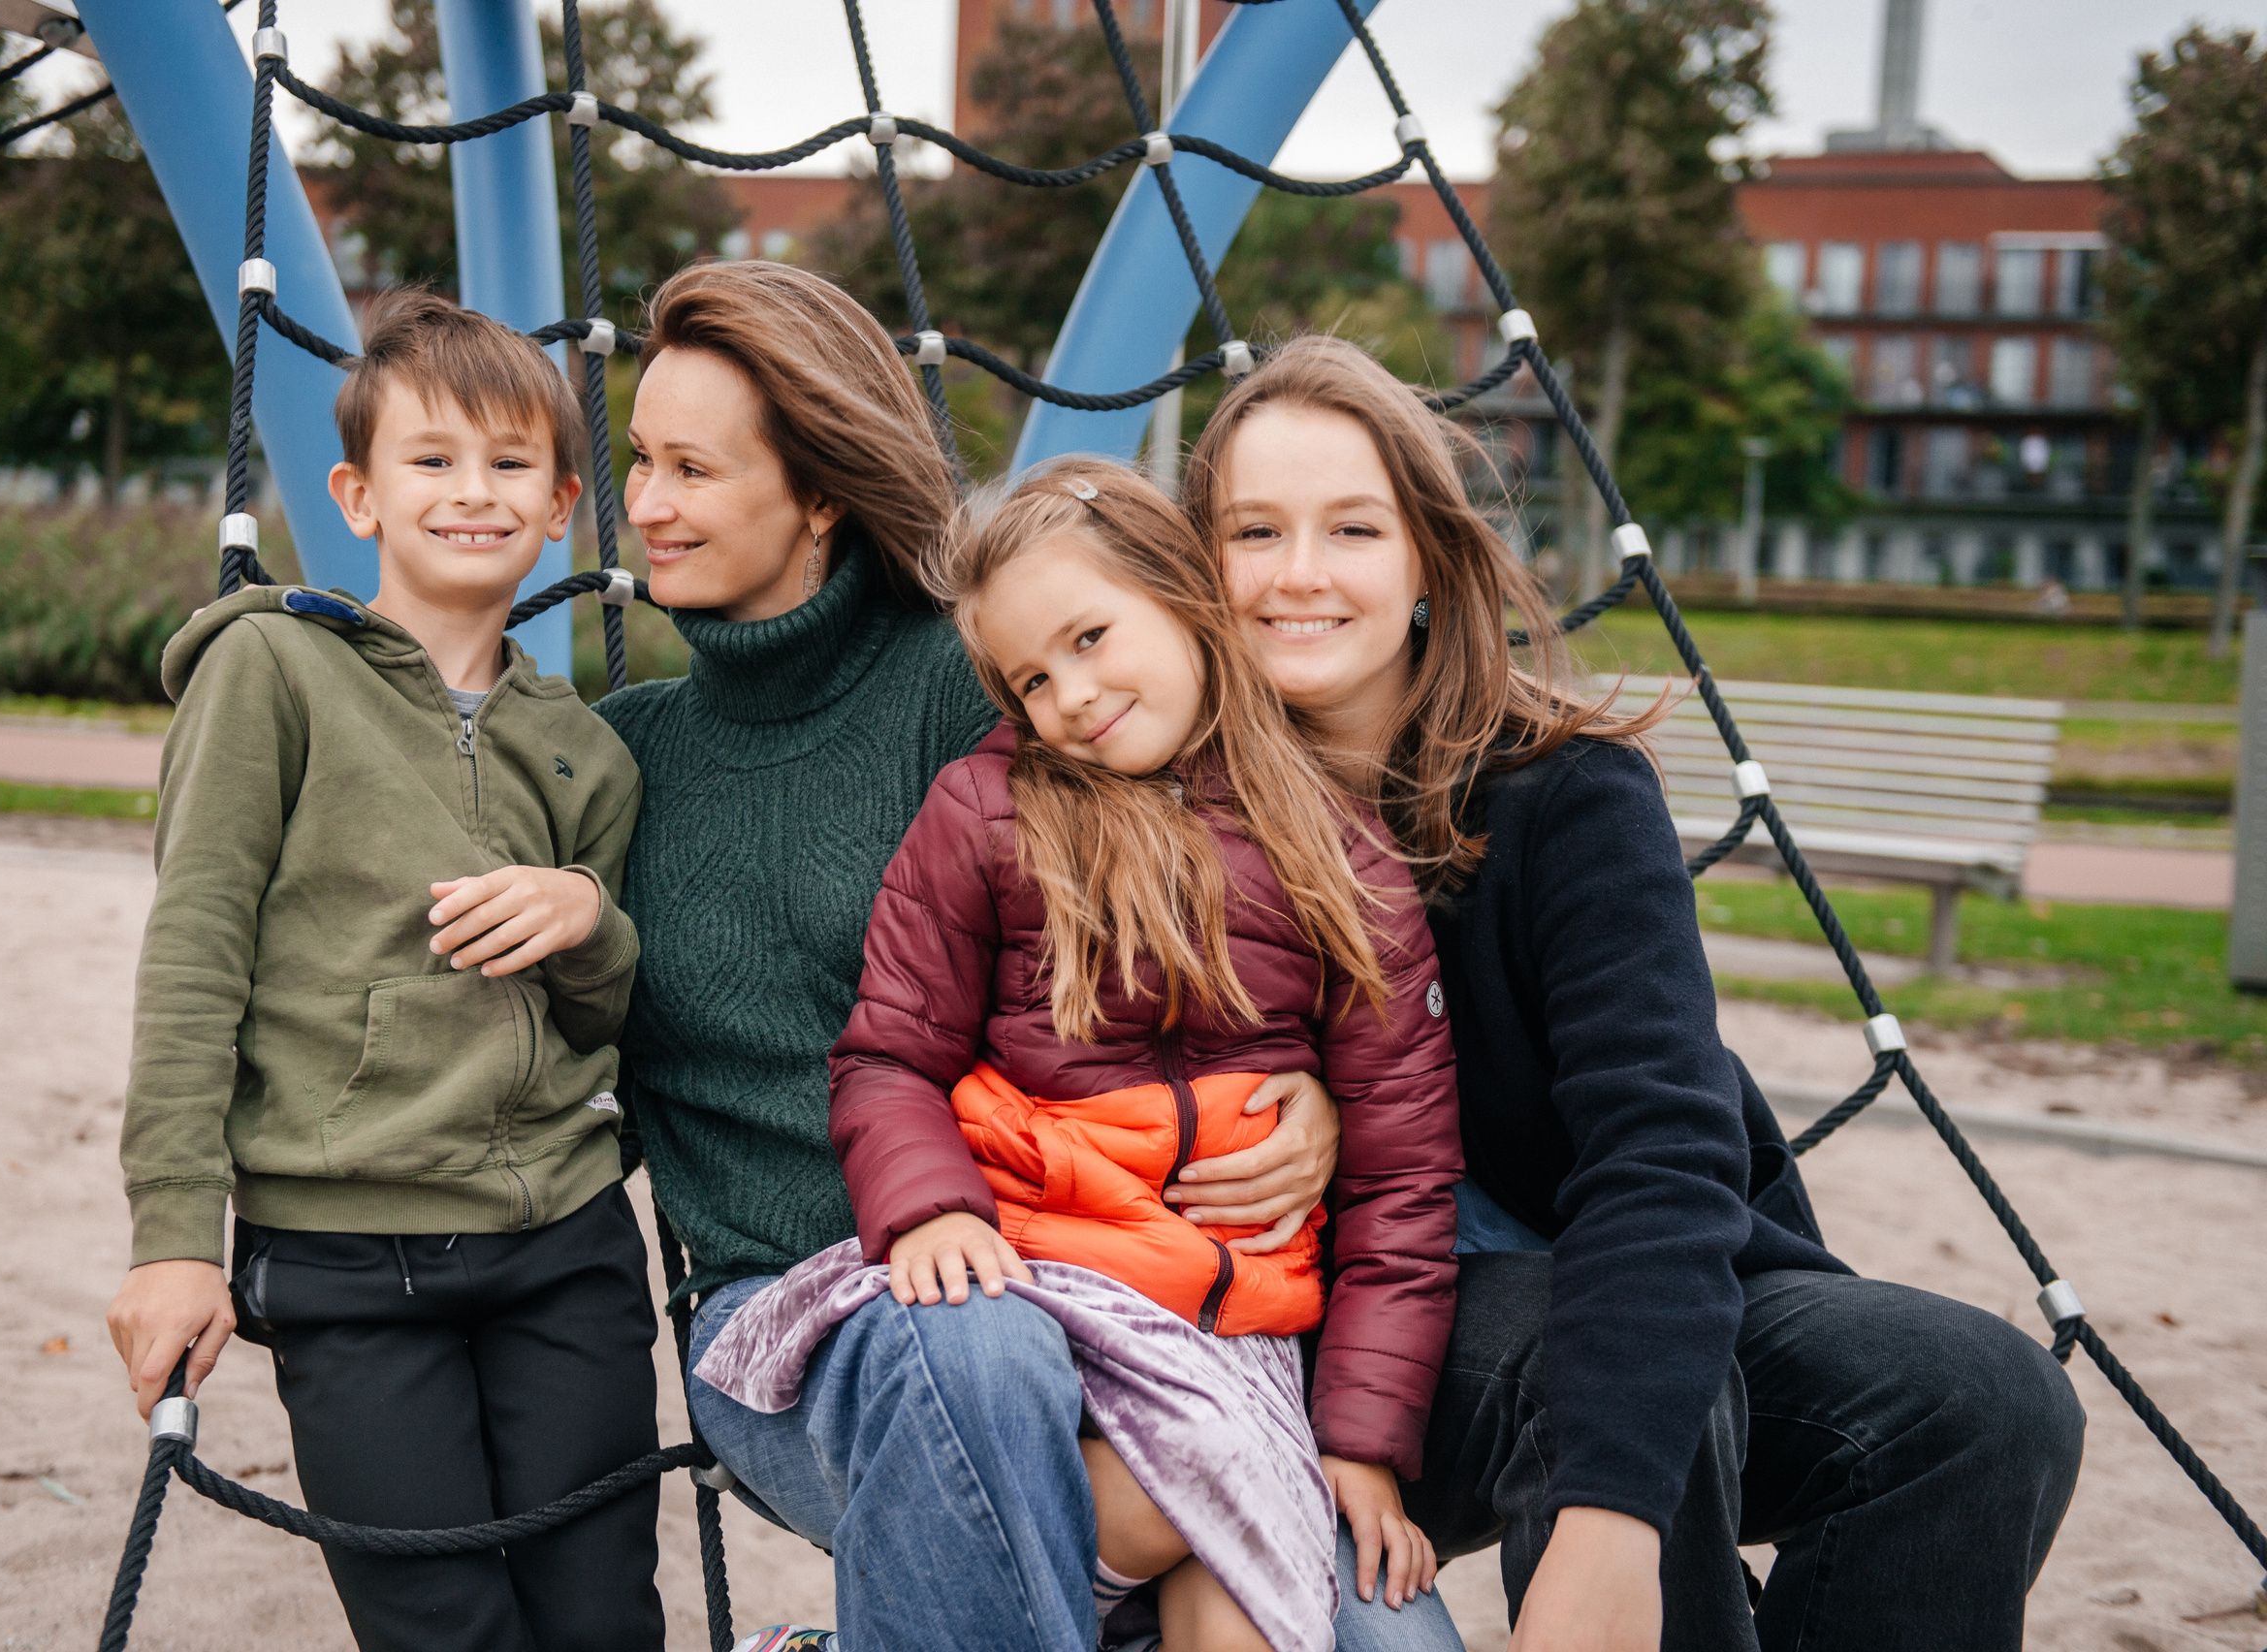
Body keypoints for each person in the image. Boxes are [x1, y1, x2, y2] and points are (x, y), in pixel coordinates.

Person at [1182, 333, 2087, 1652]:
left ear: (1429, 561)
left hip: (1607, 1282)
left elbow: (1662, 1149)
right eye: (1254, 531)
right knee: (1594, 1355)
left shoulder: (1566, 795)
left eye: (1354, 529)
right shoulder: (1163, 796)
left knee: (1982, 1398)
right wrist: (1307, 1106)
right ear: (1199, 571)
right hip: (1348, 1333)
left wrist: (1611, 1521)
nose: (1300, 574)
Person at [594, 263, 1351, 1652]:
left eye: (691, 467)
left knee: (1370, 1631)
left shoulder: (982, 681)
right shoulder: (625, 756)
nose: (643, 505)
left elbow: (1198, 882)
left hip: (1085, 1283)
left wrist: (1303, 1091)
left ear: (818, 490)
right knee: (970, 1356)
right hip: (788, 1327)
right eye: (639, 460)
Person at [699, 459, 1462, 1652]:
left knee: (1260, 1597)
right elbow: (889, 1055)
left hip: (1226, 1324)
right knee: (1204, 1477)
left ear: (1184, 592)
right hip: (1040, 1278)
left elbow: (1403, 1178)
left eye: (1093, 637)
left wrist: (1361, 1441)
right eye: (1033, 680)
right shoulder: (990, 810)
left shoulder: (1341, 851)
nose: (1073, 695)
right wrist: (930, 1211)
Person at [105, 289, 664, 1651]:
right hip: (350, 1252)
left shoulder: (586, 747)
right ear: (358, 495)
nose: (472, 492)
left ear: (560, 508)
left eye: (510, 464)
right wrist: (178, 1235)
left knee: (601, 1623)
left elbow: (606, 1012)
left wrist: (589, 917)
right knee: (442, 1626)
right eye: (433, 460)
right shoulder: (275, 671)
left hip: (565, 1244)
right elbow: (195, 957)